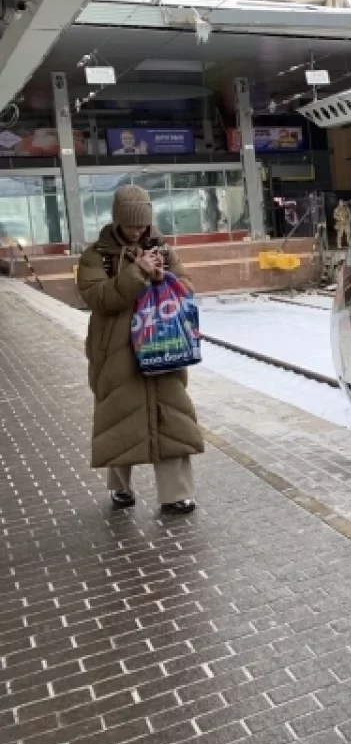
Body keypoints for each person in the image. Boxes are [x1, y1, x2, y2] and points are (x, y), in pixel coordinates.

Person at [76, 184, 203, 515]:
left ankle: (177, 493)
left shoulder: (162, 249)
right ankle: (120, 486)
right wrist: (136, 274)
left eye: (142, 225)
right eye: (131, 225)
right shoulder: (97, 256)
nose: (137, 231)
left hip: (162, 343)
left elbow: (187, 288)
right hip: (116, 350)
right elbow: (98, 298)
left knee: (171, 415)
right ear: (117, 220)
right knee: (118, 415)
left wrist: (162, 277)